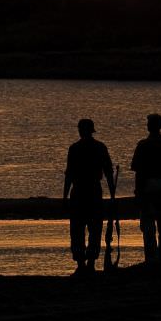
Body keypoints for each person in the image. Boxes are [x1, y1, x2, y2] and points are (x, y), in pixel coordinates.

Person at [63, 117, 115, 276]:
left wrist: (64, 196)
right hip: (92, 191)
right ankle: (89, 262)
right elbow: (108, 172)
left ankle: (82, 263)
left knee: (78, 229)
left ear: (80, 130)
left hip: (79, 192)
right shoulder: (100, 147)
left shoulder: (75, 148)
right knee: (94, 228)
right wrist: (112, 193)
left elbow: (69, 174)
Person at [131, 113, 161, 265]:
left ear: (149, 126)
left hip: (148, 185)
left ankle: (151, 257)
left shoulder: (143, 145)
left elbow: (139, 172)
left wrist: (138, 191)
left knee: (148, 223)